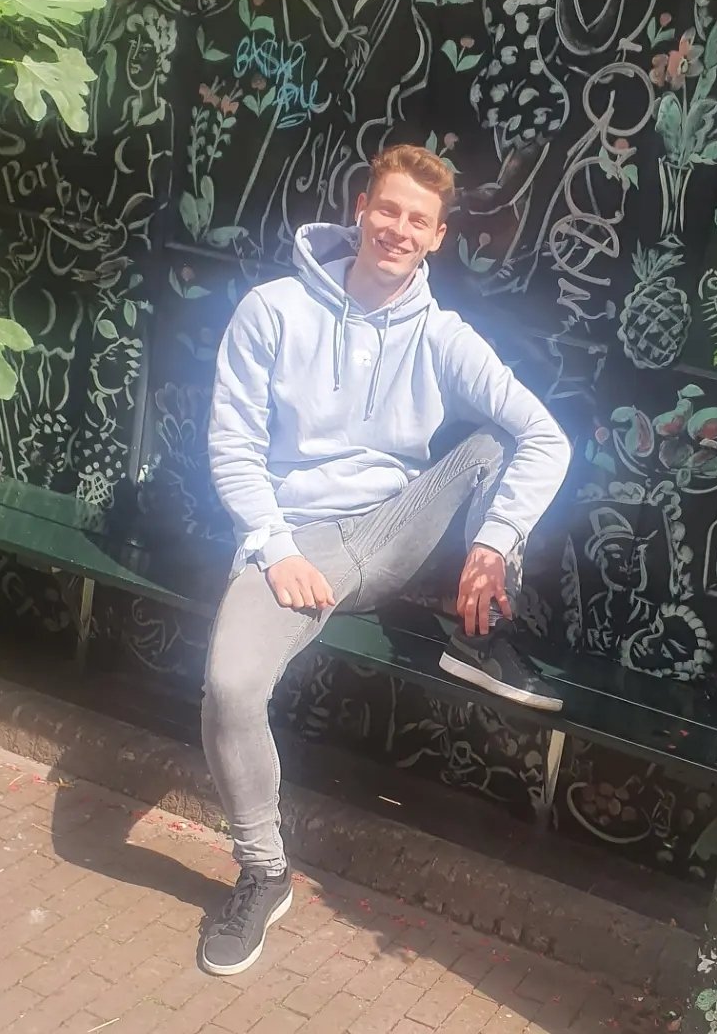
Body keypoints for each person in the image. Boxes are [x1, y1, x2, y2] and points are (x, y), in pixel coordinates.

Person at [200, 144, 572, 976]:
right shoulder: (273, 309)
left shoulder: (442, 335)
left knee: (492, 442)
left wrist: (494, 542)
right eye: (389, 210)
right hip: (297, 542)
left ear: (438, 237)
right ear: (361, 210)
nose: (399, 230)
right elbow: (232, 446)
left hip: (393, 531)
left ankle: (477, 632)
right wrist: (275, 548)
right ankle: (263, 873)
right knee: (229, 687)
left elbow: (547, 437)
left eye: (419, 220)